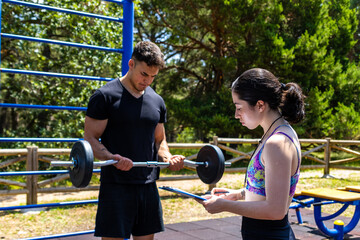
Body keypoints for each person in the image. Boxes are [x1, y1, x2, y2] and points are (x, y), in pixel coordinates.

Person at [84, 41, 185, 240]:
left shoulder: (157, 101)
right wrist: (111, 157)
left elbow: (159, 139)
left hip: (148, 185)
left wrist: (167, 157)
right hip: (116, 185)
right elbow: (90, 138)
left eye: (153, 76)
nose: (147, 81)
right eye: (144, 74)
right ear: (131, 64)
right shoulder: (105, 96)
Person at [200, 68, 305, 240]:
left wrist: (224, 205)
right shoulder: (280, 132)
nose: (236, 115)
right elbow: (271, 188)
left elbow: (275, 210)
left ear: (260, 105)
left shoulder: (276, 143)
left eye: (239, 107)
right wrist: (239, 194)